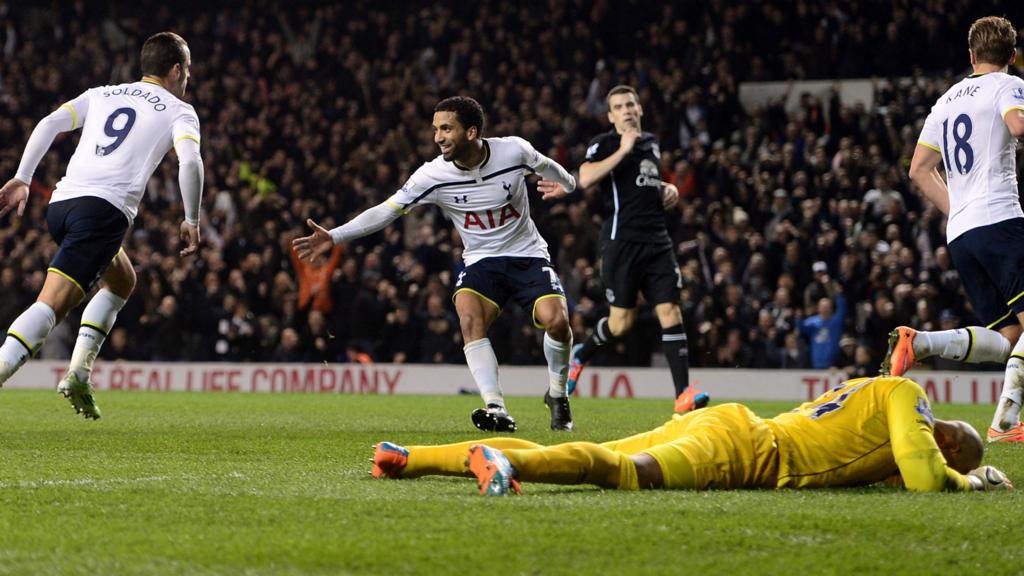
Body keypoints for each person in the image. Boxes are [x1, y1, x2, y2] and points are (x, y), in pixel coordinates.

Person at [293, 96, 577, 432]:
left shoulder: (513, 151)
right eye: (435, 129)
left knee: (556, 322)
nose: (438, 137)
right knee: (469, 319)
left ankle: (558, 395)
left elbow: (549, 167)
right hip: (481, 261)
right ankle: (496, 406)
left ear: (471, 131)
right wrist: (336, 236)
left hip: (527, 254)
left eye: (446, 128)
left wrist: (568, 185)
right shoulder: (433, 174)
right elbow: (387, 210)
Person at [0, 32, 202, 419]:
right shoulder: (180, 110)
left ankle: (78, 373)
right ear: (177, 70)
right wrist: (191, 219)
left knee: (123, 280)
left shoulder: (102, 93)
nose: (188, 78)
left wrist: (24, 177)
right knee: (52, 305)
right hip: (102, 211)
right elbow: (190, 163)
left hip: (61, 205)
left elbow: (49, 122)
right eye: (188, 70)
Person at [370, 376, 1012, 495]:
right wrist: (974, 480)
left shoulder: (864, 389)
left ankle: (409, 458)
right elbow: (926, 476)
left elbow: (892, 466)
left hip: (730, 422)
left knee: (610, 454)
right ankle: (507, 470)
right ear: (946, 439)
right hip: (747, 451)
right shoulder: (911, 403)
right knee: (627, 473)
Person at [883, 16, 1024, 443]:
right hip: (1000, 218)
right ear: (1011, 56)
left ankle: (920, 343)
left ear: (971, 55)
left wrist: (957, 208)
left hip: (961, 233)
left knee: (1012, 336)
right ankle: (1006, 422)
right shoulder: (1008, 84)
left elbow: (918, 170)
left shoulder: (944, 102)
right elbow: (1018, 125)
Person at [567, 85, 704, 413]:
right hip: (621, 244)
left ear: (639, 109)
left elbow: (641, 184)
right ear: (611, 115)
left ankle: (683, 395)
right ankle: (581, 355)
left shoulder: (652, 143)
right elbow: (585, 178)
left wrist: (666, 187)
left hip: (657, 242)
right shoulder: (605, 143)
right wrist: (623, 150)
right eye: (619, 106)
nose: (626, 110)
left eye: (631, 104)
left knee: (671, 311)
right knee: (620, 324)